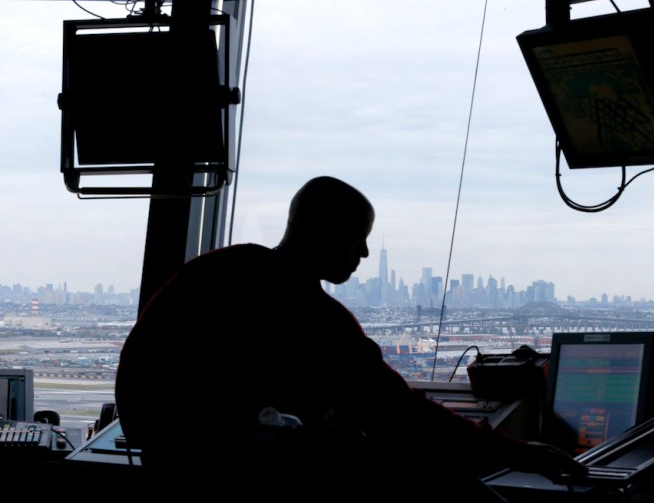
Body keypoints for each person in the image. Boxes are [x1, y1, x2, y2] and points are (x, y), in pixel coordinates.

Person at [115, 175, 586, 499]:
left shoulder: (212, 271)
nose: (363, 252)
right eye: (354, 237)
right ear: (319, 232)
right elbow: (397, 413)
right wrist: (518, 452)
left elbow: (138, 380)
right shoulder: (316, 318)